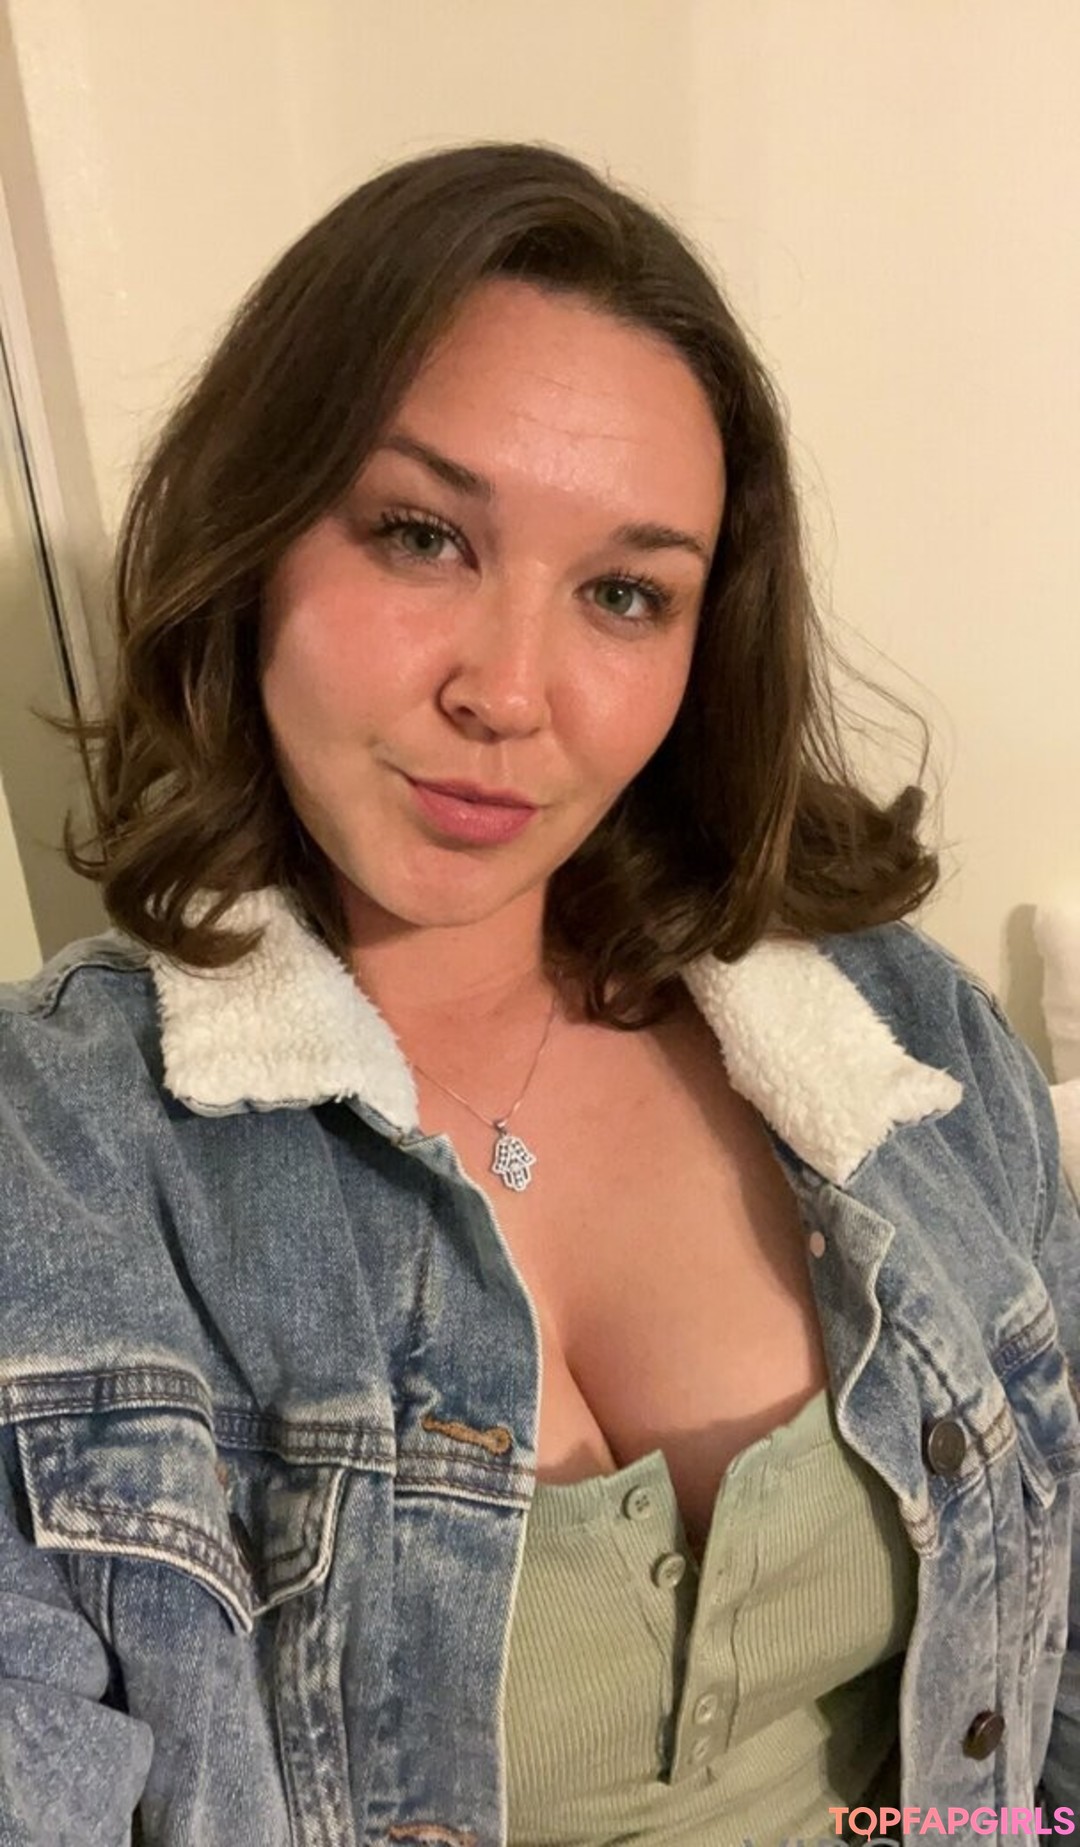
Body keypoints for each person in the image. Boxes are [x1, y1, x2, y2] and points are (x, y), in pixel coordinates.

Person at [0, 141, 1077, 1847]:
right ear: (252, 537)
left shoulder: (899, 1039)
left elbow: (1051, 1669)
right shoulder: (56, 1168)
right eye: (422, 536)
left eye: (624, 593)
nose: (510, 692)